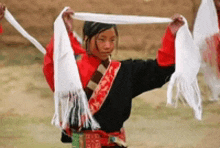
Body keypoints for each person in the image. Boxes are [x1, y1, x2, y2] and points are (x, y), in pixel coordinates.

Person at [43, 8, 184, 148]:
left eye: (112, 40)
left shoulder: (124, 72)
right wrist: (63, 32)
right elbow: (53, 66)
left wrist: (171, 35)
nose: (108, 46)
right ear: (87, 39)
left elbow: (160, 70)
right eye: (102, 40)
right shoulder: (73, 70)